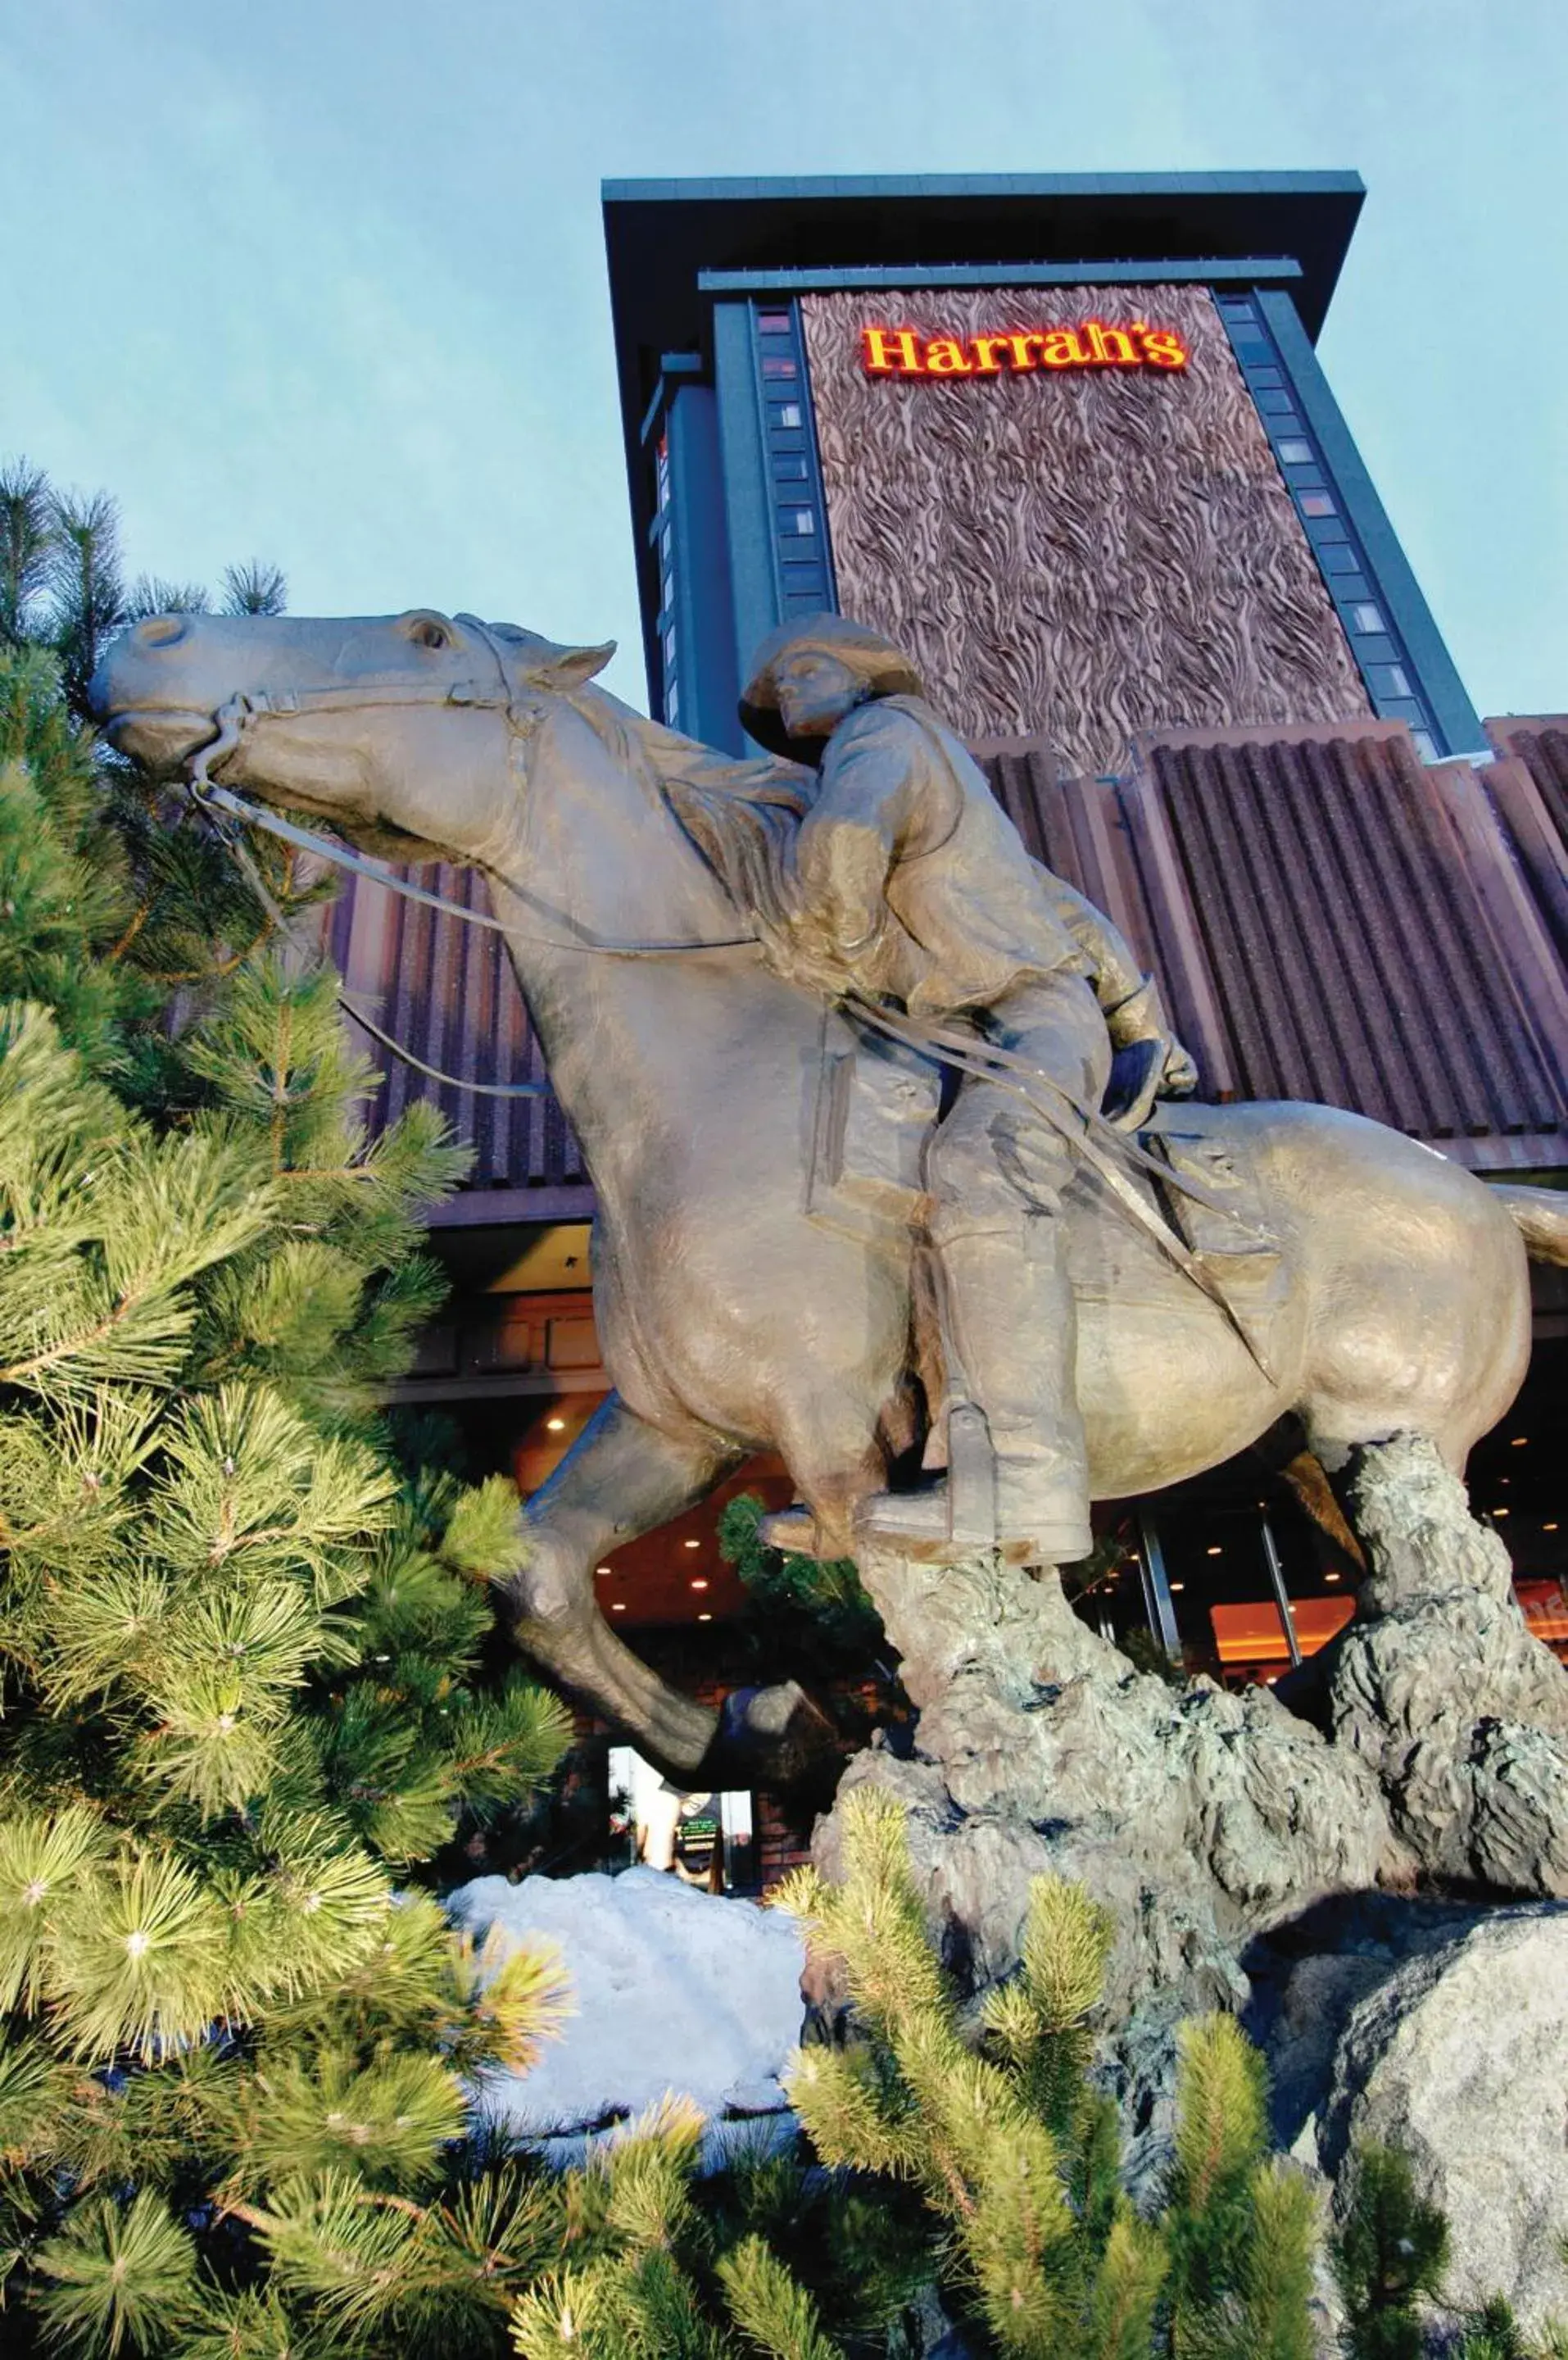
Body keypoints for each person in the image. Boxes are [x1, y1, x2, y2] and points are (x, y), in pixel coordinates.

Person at [739, 613, 1196, 1564]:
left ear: (864, 677)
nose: (788, 691)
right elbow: (1065, 907)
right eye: (778, 688)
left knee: (979, 1171)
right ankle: (891, 1472)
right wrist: (1143, 1019)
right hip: (954, 1033)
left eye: (805, 668)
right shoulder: (944, 796)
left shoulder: (884, 734)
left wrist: (843, 947)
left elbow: (843, 844)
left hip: (1026, 1019)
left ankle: (1028, 1479)